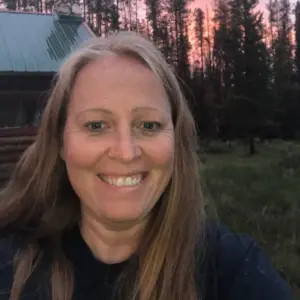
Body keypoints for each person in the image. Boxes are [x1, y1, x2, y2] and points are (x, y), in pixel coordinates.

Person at [0, 32, 292, 300]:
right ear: (61, 143)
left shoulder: (230, 270)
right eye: (97, 125)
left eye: (149, 125)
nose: (126, 153)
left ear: (175, 140)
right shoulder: (10, 263)